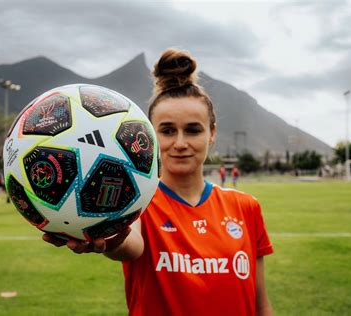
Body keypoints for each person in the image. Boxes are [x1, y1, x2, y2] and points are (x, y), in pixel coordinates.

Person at [43, 48, 274, 315]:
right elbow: (131, 247)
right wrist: (112, 238)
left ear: (212, 133)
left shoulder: (245, 207)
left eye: (193, 129)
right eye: (166, 130)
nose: (180, 143)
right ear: (149, 136)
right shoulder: (137, 201)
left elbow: (261, 305)